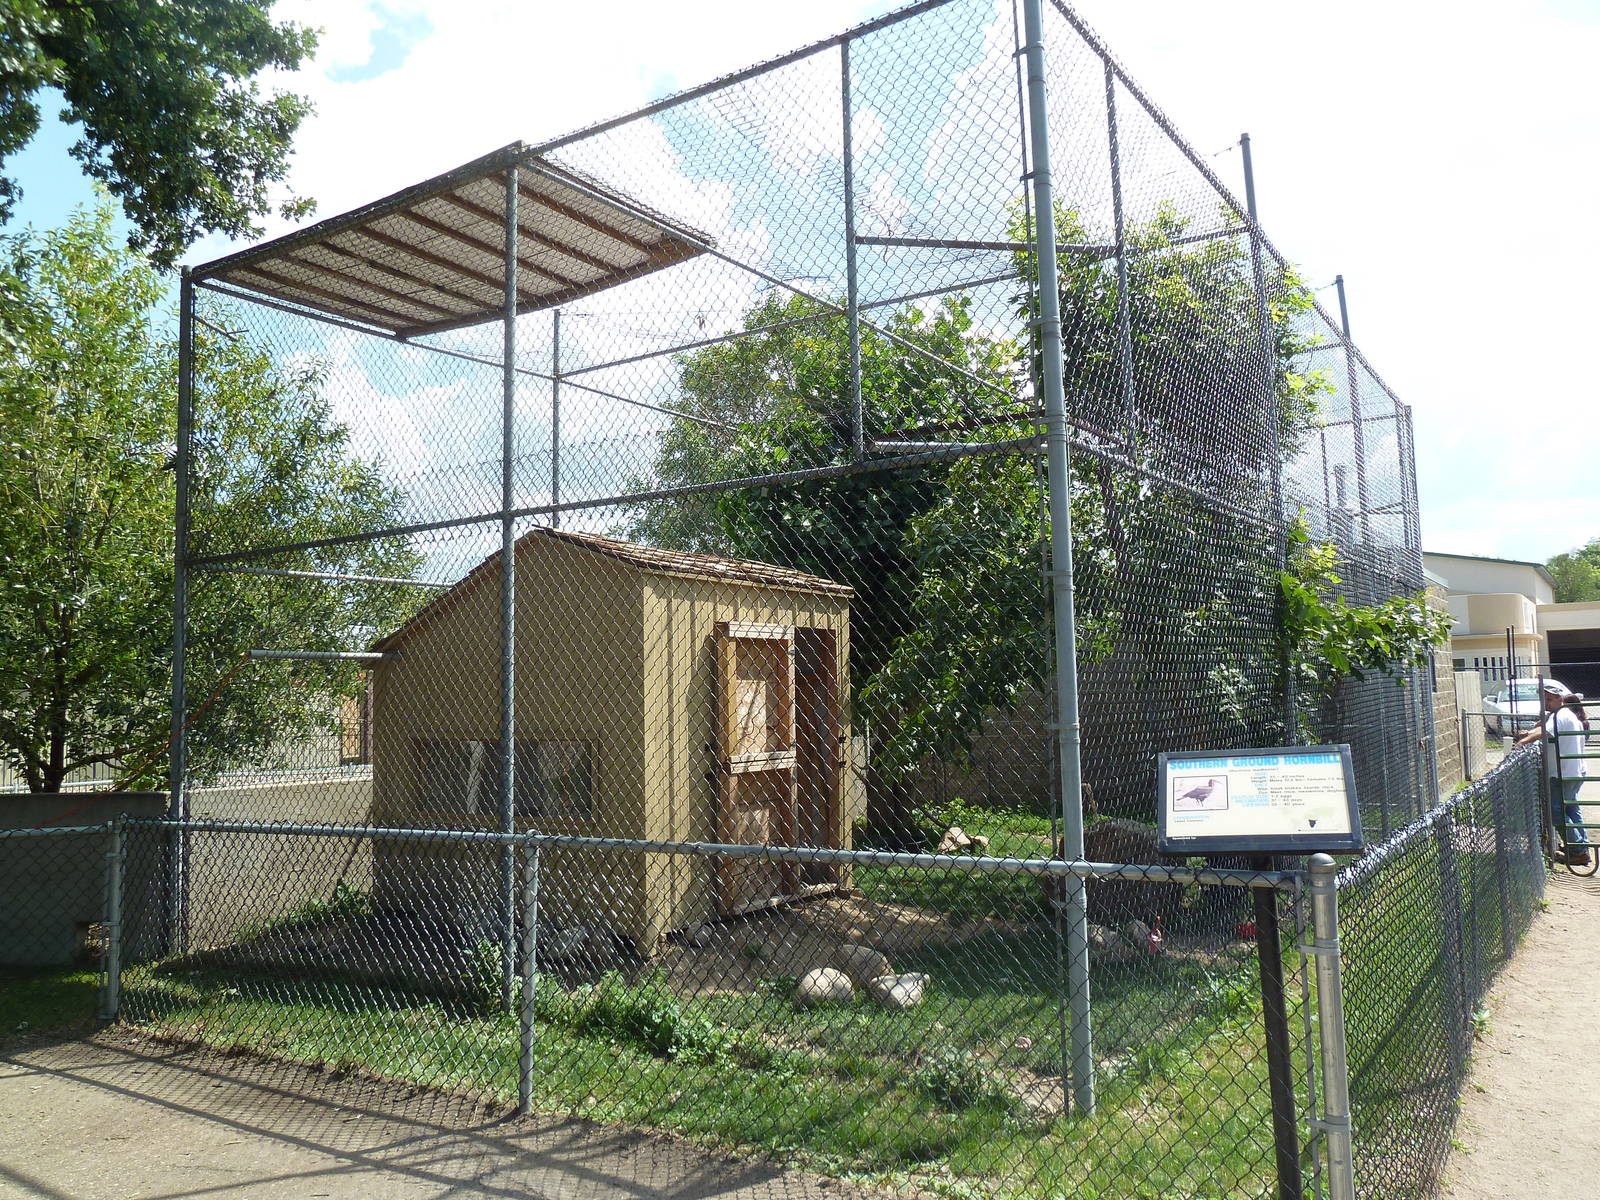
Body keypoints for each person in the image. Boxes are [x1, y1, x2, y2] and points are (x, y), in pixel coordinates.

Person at [1516, 679, 1592, 867]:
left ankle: (1578, 851)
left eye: (1550, 700)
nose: (1546, 704)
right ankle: (1580, 847)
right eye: (1545, 700)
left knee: (1557, 813)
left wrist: (1522, 743)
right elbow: (1542, 728)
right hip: (1573, 771)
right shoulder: (1563, 714)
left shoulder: (1561, 715)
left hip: (1562, 773)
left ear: (1560, 699)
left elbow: (1545, 732)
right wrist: (1529, 733)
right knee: (1571, 809)